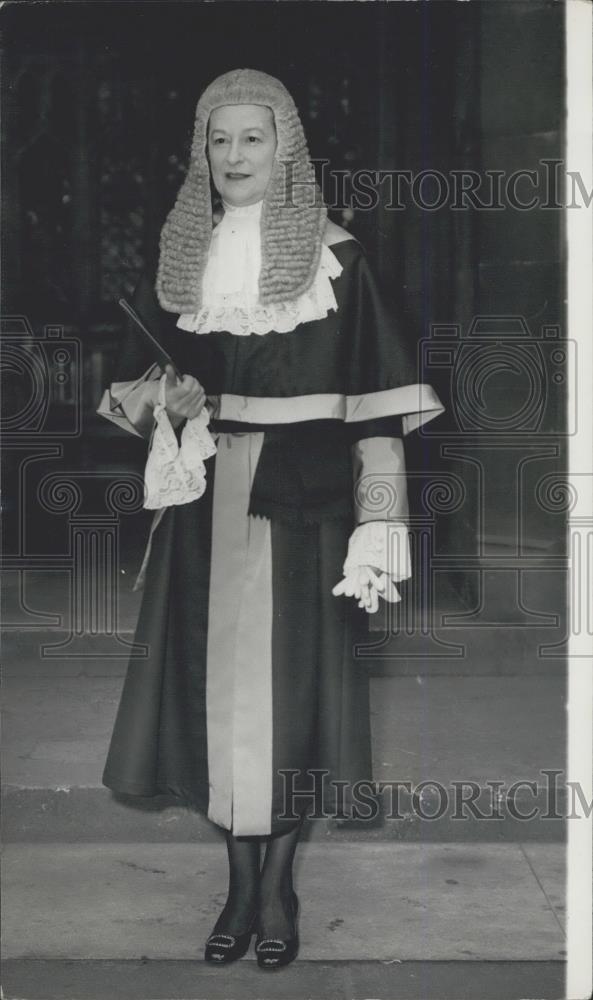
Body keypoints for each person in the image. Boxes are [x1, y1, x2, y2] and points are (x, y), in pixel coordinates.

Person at [98, 68, 443, 970]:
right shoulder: (184, 262)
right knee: (211, 692)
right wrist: (164, 405)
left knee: (292, 693)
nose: (235, 155)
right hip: (207, 505)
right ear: (200, 157)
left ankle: (278, 885)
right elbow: (140, 397)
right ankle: (236, 884)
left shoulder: (342, 259)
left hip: (306, 506)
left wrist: (379, 524)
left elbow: (375, 414)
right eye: (219, 139)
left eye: (254, 137)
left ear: (284, 148)